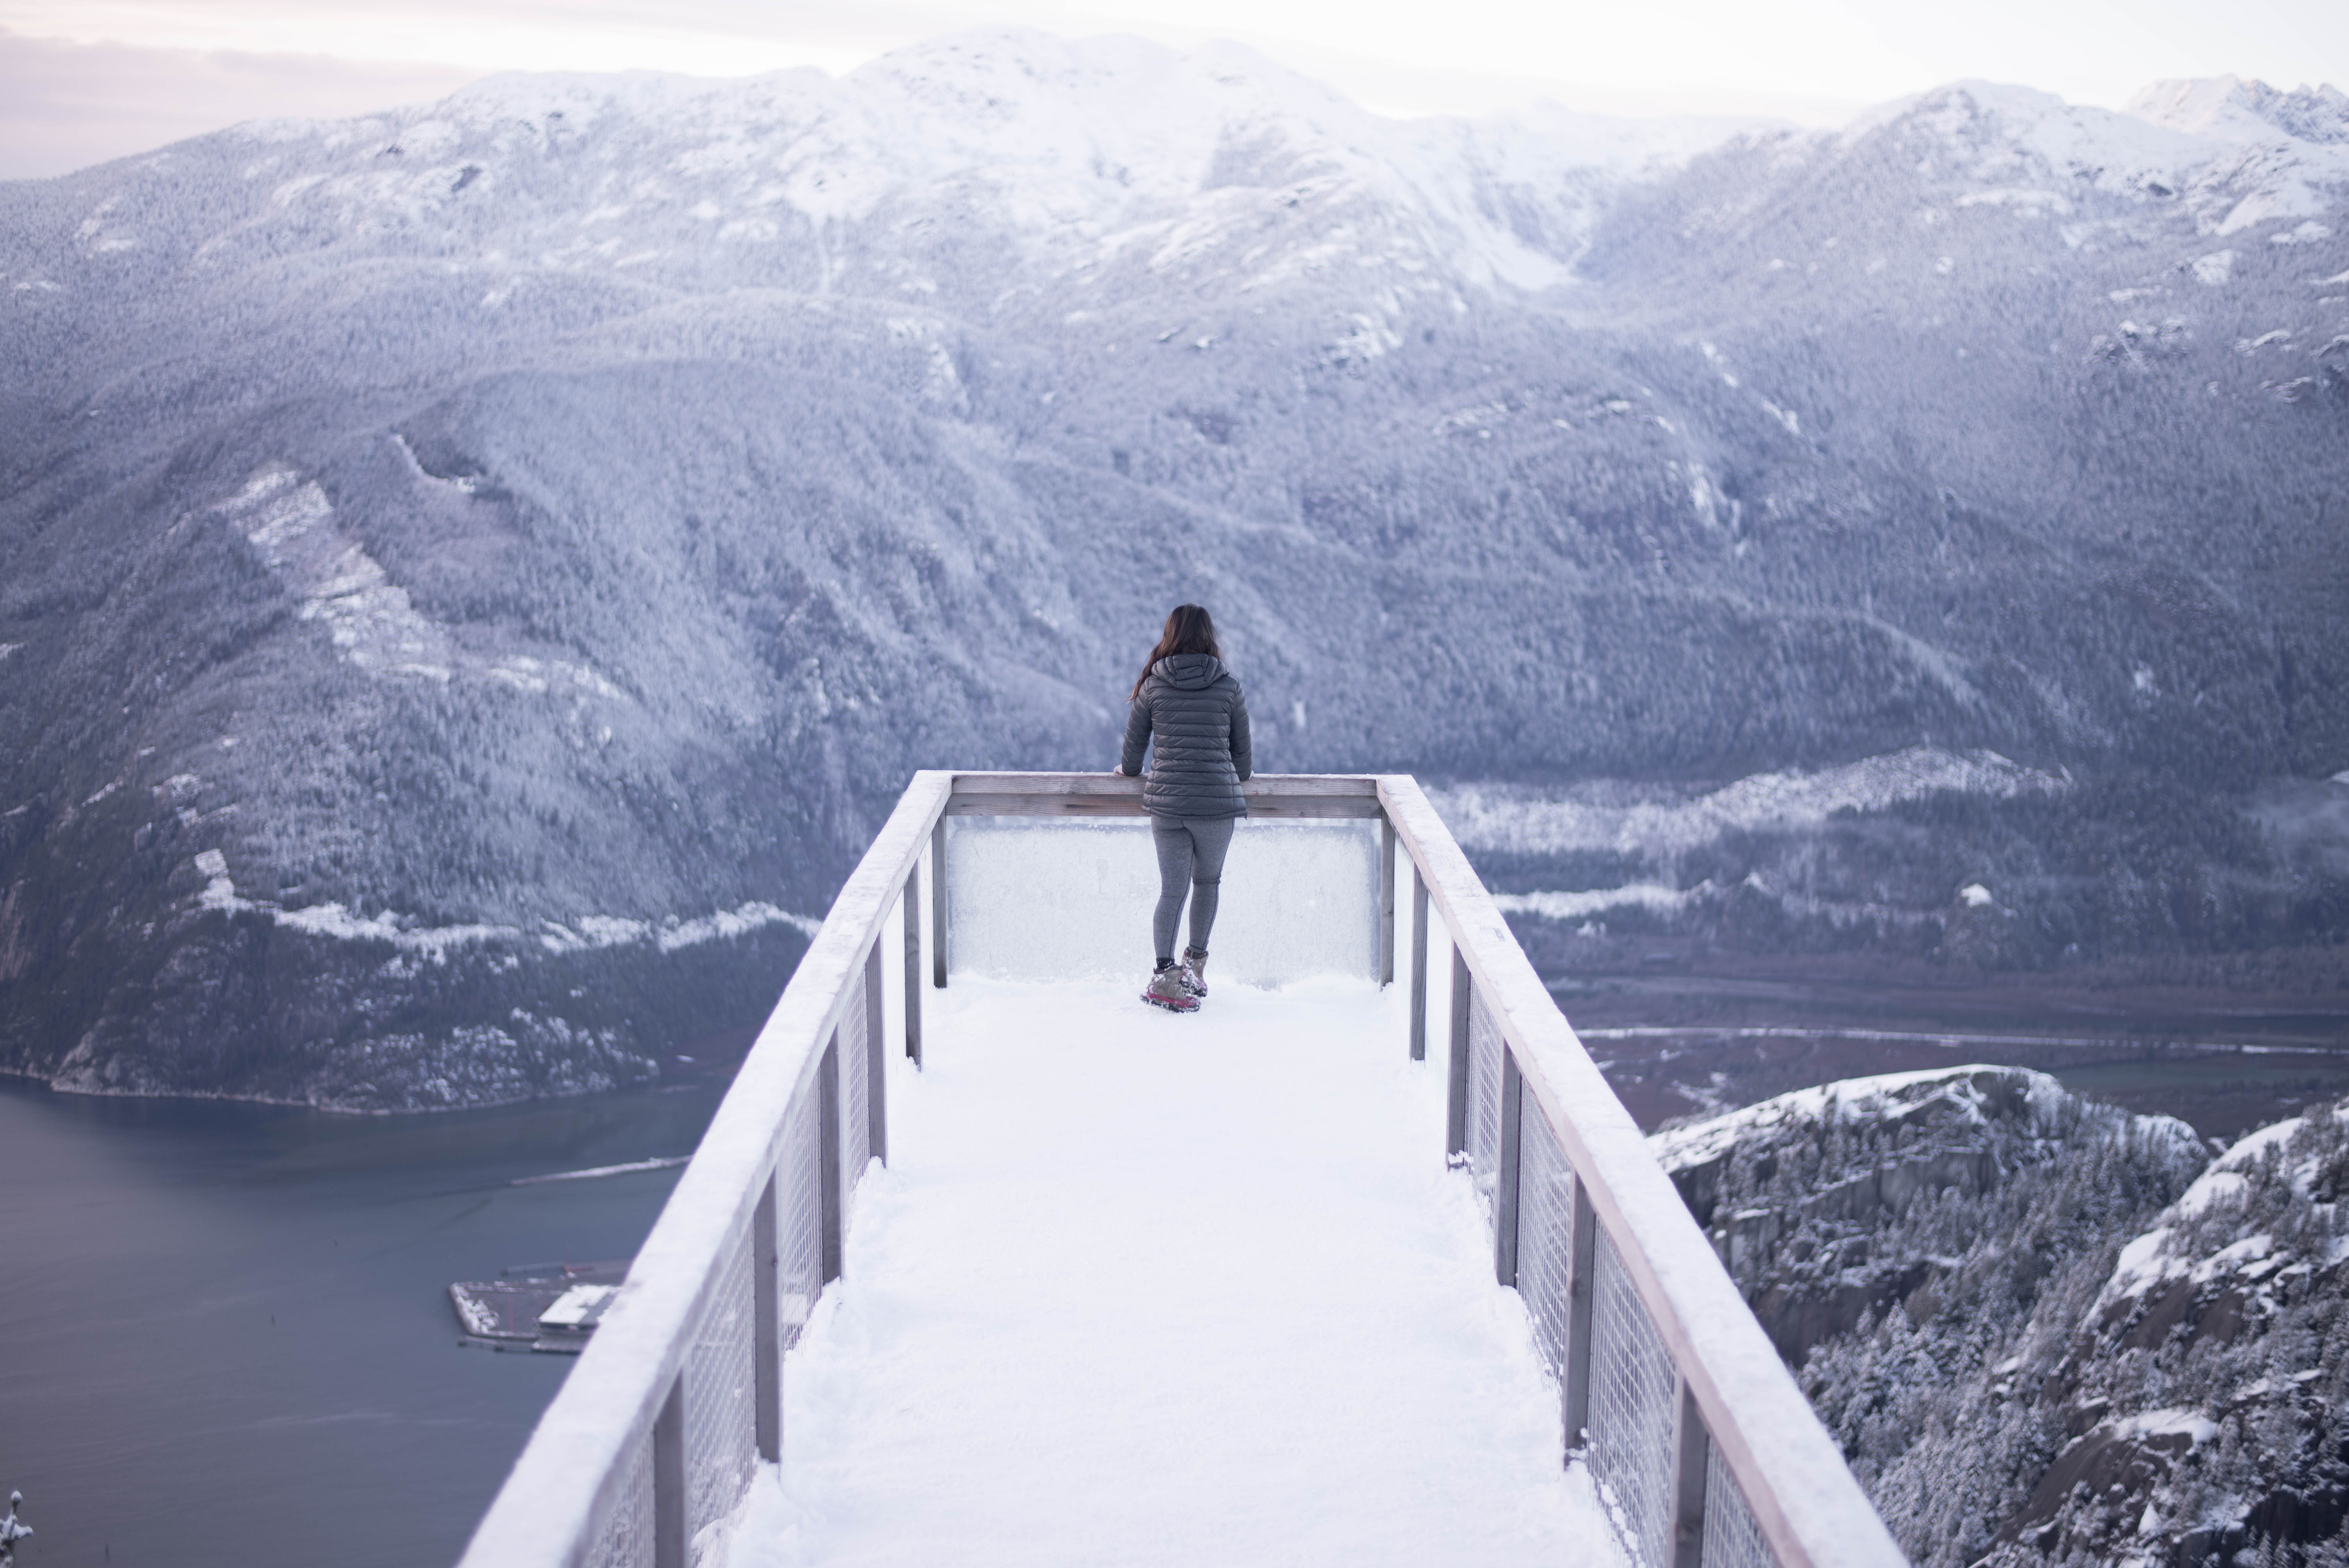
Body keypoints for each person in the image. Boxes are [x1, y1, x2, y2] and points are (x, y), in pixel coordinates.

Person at [1118, 604, 1252, 1013]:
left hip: (1168, 804)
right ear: (1210, 635)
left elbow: (1131, 760)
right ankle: (1194, 969)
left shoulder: (1153, 684)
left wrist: (1136, 770)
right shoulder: (1228, 685)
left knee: (1171, 891)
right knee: (1207, 884)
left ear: (1169, 634)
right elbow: (1243, 764)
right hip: (1216, 803)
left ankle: (1164, 975)